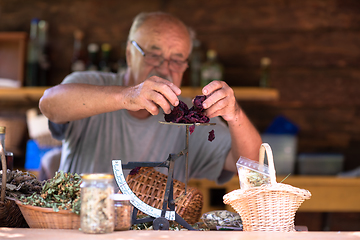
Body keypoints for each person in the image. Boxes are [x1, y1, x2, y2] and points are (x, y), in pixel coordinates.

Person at [39, 11, 262, 184]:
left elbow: (252, 167)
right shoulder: (88, 84)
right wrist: (128, 96)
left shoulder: (188, 116)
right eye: (154, 55)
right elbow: (49, 104)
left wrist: (235, 115)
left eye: (177, 60)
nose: (164, 68)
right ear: (129, 53)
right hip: (80, 224)